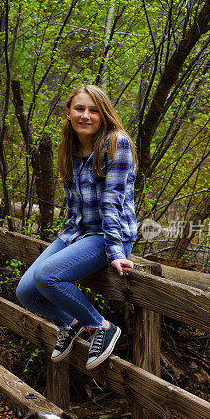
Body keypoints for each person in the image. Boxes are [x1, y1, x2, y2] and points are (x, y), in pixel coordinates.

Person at [16, 84, 137, 370]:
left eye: (94, 110)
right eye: (80, 109)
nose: (86, 115)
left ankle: (101, 326)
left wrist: (115, 251)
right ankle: (70, 323)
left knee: (49, 276)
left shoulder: (116, 142)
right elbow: (74, 205)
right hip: (77, 233)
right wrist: (66, 241)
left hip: (109, 235)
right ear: (68, 113)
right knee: (25, 292)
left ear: (103, 114)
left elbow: (112, 202)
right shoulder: (70, 147)